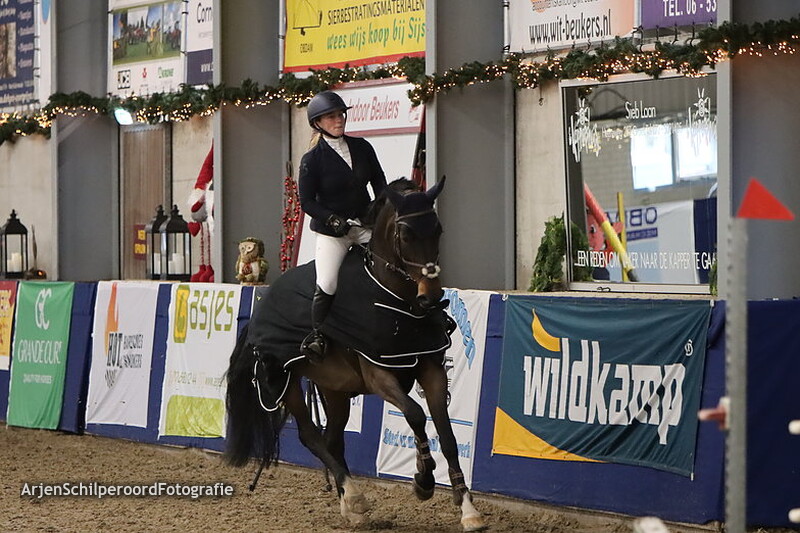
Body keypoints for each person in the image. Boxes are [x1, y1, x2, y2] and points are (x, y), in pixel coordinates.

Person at [298, 90, 387, 362]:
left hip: (362, 224)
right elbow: (307, 202)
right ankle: (317, 336)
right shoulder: (311, 160)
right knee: (327, 281)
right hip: (333, 231)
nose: (338, 120)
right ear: (318, 123)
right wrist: (332, 219)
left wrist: (380, 210)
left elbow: (379, 182)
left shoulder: (362, 147)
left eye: (340, 115)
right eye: (331, 117)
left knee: (390, 267)